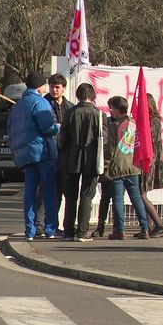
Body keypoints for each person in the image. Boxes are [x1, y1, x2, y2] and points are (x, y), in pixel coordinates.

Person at [7, 71, 59, 241]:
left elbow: (11, 130)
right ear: (40, 86)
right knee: (49, 191)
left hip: (25, 154)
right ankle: (50, 229)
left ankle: (29, 230)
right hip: (42, 152)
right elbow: (47, 127)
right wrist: (58, 127)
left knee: (29, 192)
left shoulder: (17, 106)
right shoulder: (41, 102)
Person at [61, 83, 107, 242]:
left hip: (72, 158)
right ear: (92, 95)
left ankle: (68, 231)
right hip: (92, 159)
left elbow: (62, 140)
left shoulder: (70, 113)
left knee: (71, 196)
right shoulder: (100, 115)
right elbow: (104, 140)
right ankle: (82, 231)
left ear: (78, 95)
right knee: (87, 194)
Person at [34, 73, 75, 237]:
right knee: (45, 192)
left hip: (64, 156)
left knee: (61, 192)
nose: (54, 90)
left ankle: (54, 225)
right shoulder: (43, 104)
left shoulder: (70, 108)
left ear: (63, 88)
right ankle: (39, 225)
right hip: (47, 154)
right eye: (52, 86)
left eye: (57, 87)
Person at [104, 96, 150, 240]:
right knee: (136, 198)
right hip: (133, 164)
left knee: (118, 199)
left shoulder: (114, 125)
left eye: (111, 108)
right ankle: (145, 228)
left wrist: (106, 165)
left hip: (117, 166)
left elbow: (110, 147)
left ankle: (119, 230)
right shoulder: (134, 123)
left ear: (117, 109)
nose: (110, 111)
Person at [135, 93, 163, 238]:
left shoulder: (154, 121)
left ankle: (159, 225)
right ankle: (147, 226)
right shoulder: (149, 121)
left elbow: (147, 138)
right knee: (142, 193)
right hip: (146, 160)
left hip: (150, 161)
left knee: (141, 194)